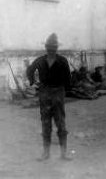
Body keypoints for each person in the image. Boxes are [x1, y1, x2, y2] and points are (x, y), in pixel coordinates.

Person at [26, 33, 72, 161]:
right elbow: (29, 70)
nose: (51, 49)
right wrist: (33, 82)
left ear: (56, 48)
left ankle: (64, 154)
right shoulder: (40, 60)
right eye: (49, 47)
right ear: (46, 47)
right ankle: (46, 153)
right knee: (45, 124)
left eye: (53, 47)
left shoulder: (62, 61)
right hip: (45, 94)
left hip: (58, 93)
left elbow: (68, 78)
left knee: (61, 124)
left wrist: (65, 91)